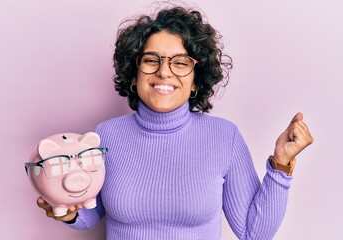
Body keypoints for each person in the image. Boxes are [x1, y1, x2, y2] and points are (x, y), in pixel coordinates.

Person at [37, 5, 313, 240]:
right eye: (151, 60)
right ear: (134, 75)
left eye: (180, 62)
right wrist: (68, 209)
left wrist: (281, 165)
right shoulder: (106, 135)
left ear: (196, 80)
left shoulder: (224, 136)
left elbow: (255, 233)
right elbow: (90, 216)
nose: (164, 72)